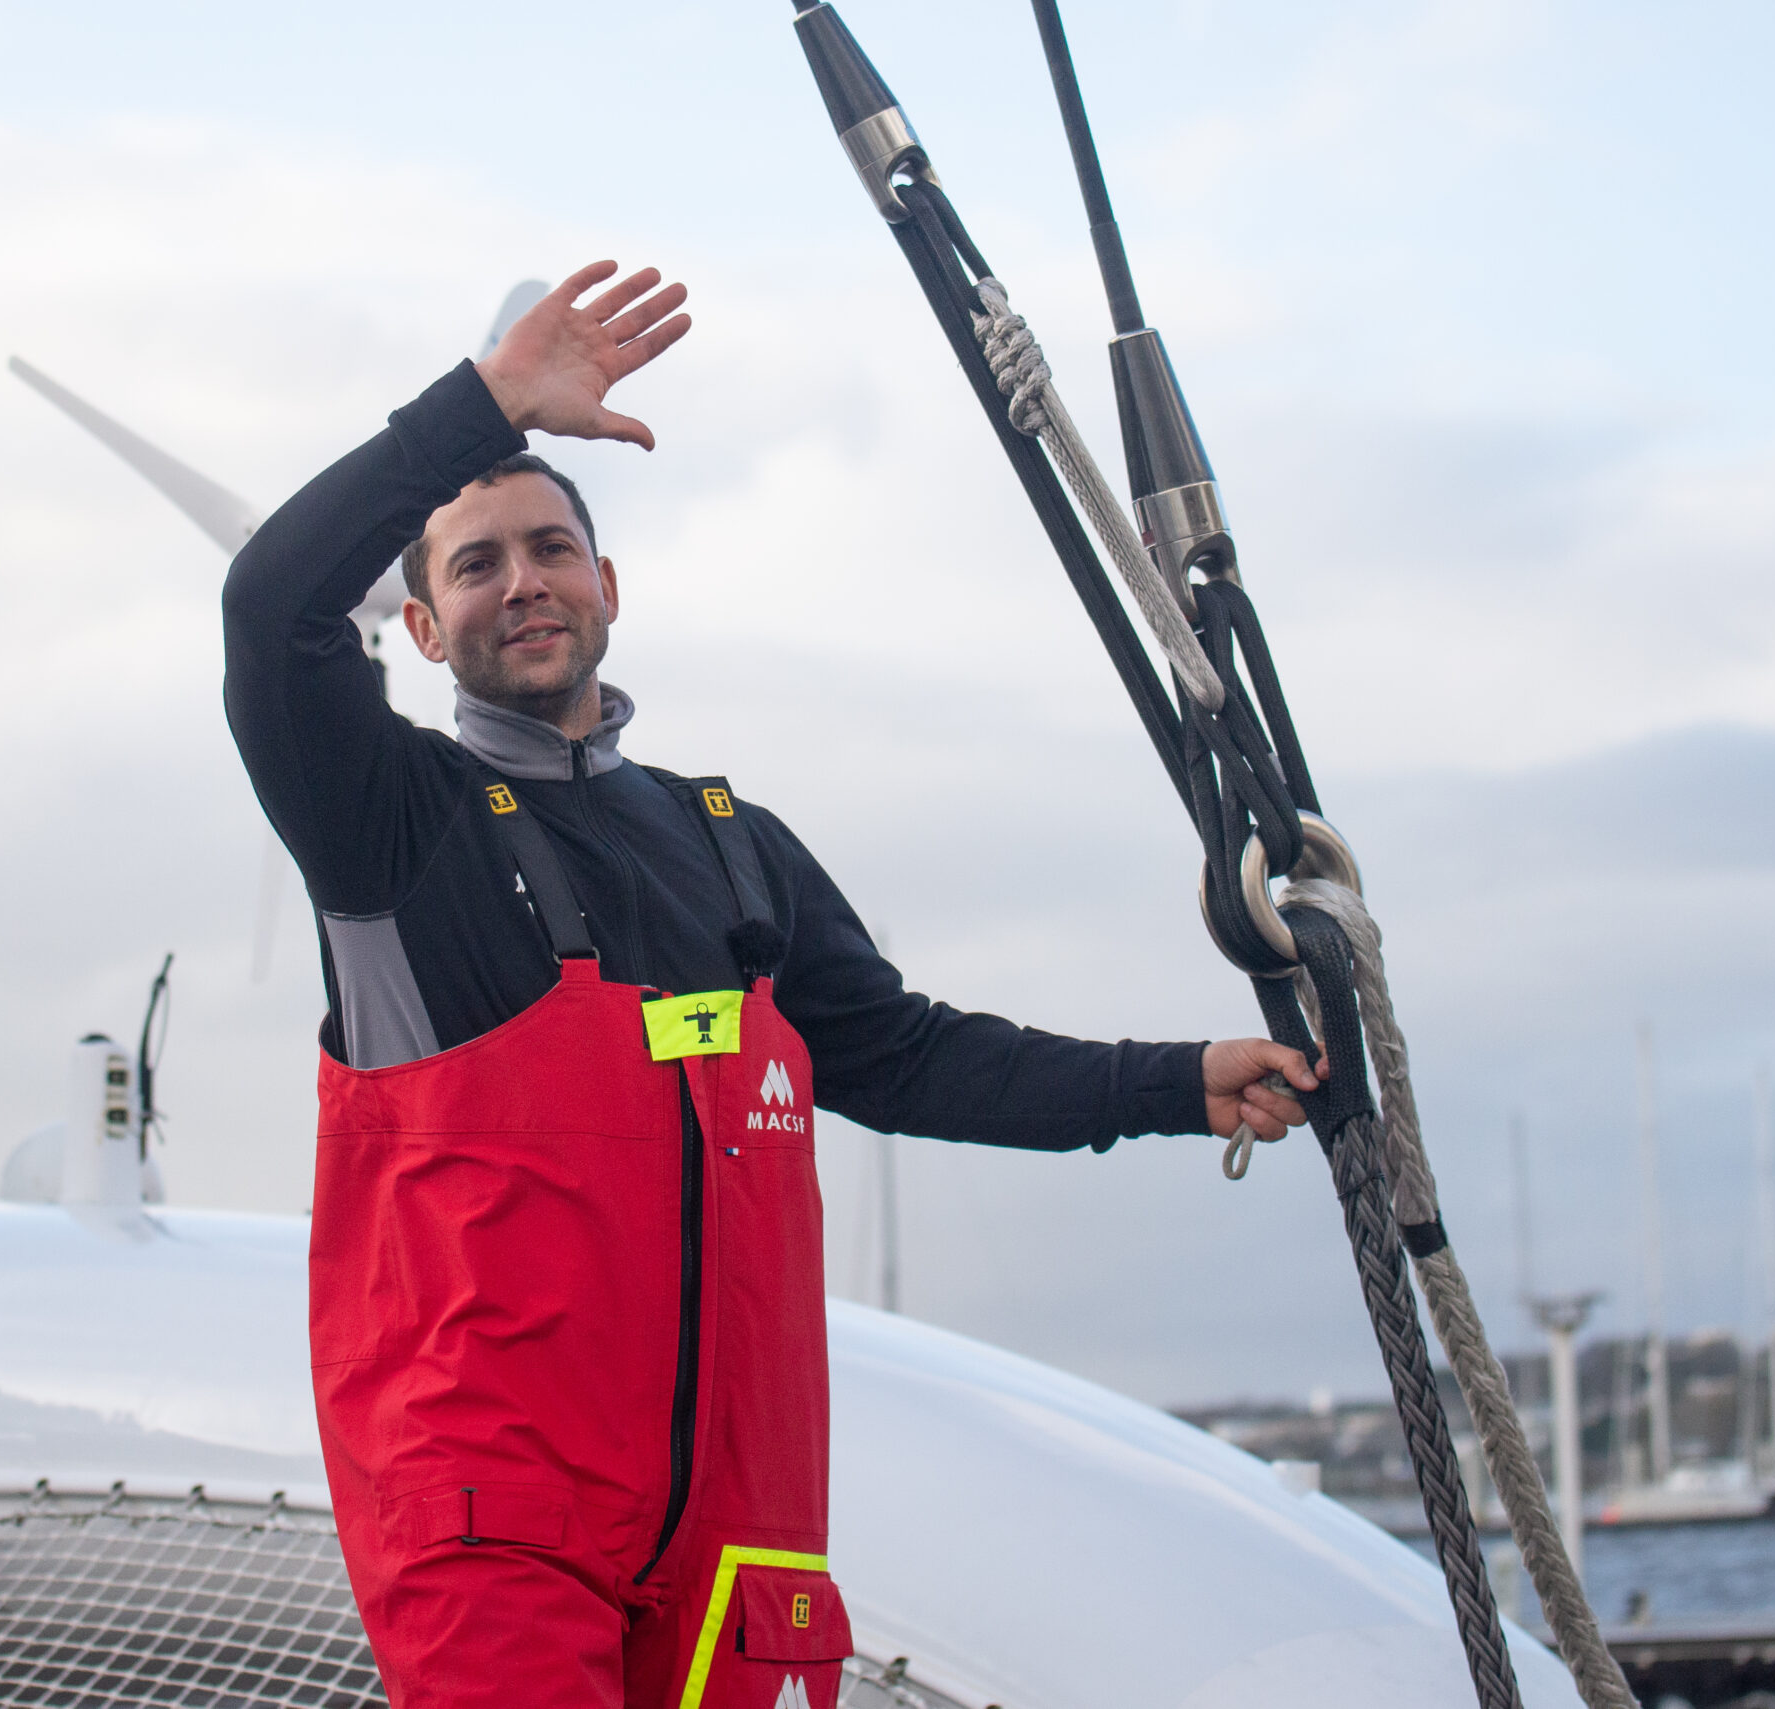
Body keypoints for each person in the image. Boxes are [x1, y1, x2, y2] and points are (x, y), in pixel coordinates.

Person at [222, 261, 1319, 1709]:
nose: (524, 581)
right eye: (475, 564)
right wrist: (480, 405)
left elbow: (912, 1057)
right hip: (498, 1537)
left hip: (741, 1558)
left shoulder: (731, 850)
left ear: (608, 586)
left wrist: (1176, 1083)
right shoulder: (385, 823)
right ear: (419, 630)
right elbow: (269, 609)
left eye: (551, 548)